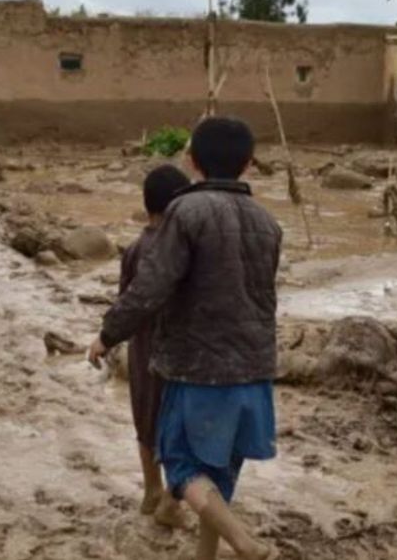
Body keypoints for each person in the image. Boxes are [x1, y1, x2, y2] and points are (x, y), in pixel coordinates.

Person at [88, 117, 280, 560]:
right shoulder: (267, 222)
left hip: (198, 370)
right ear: (249, 164)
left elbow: (151, 287)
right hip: (255, 370)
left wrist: (107, 334)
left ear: (191, 161)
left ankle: (245, 544)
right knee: (220, 476)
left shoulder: (186, 212)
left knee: (182, 468)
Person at [120, 164, 191, 527]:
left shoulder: (134, 249)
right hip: (181, 353)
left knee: (146, 422)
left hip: (143, 349)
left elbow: (127, 301)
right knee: (178, 428)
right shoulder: (186, 249)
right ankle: (173, 500)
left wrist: (109, 337)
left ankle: (152, 489)